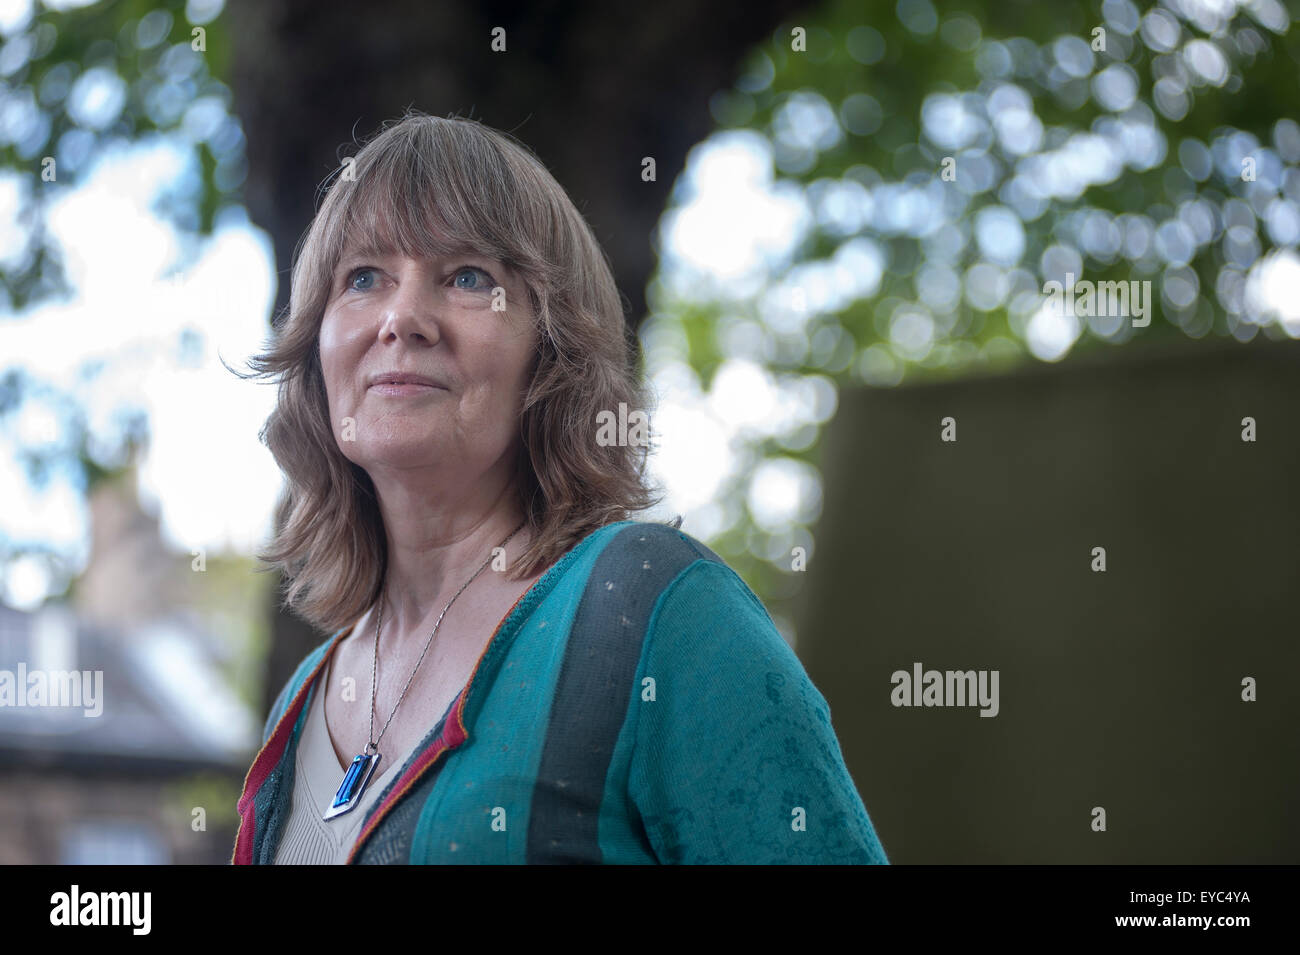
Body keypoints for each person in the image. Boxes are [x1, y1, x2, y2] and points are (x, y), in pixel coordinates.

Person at [229, 111, 888, 864]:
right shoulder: (303, 701)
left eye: (468, 277)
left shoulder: (656, 612)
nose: (403, 317)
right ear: (317, 349)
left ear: (555, 350)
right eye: (363, 278)